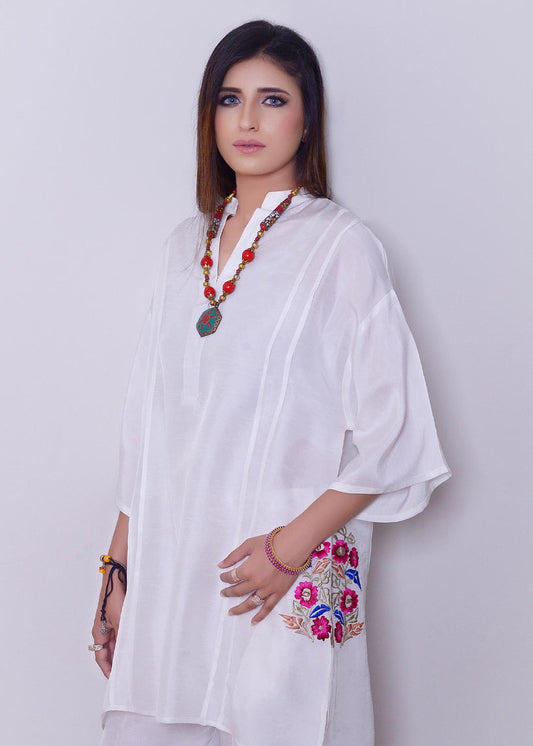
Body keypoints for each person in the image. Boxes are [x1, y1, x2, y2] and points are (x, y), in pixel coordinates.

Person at [90, 19, 451, 746]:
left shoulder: (341, 246)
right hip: (172, 569)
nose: (248, 120)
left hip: (277, 572)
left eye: (273, 99)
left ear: (307, 118)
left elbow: (394, 436)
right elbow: (149, 424)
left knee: (282, 722)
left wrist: (288, 550)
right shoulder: (182, 247)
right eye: (230, 99)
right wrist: (116, 571)